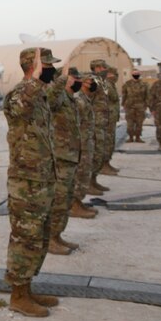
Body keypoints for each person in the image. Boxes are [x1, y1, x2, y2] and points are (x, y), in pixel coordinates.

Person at [4, 47, 61, 318]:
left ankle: (27, 288)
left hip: (42, 179)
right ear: (33, 66)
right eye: (47, 65)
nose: (51, 69)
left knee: (38, 237)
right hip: (25, 182)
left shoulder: (40, 96)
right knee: (24, 238)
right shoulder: (19, 94)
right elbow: (19, 107)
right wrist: (35, 79)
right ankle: (18, 294)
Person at [46, 66, 83, 254]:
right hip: (60, 158)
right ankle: (50, 238)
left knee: (66, 199)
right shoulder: (57, 98)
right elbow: (51, 100)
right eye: (73, 77)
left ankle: (58, 234)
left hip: (71, 156)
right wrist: (60, 81)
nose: (77, 80)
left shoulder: (71, 100)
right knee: (58, 200)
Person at [70, 73, 99, 219]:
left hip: (86, 141)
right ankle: (74, 205)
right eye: (90, 81)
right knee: (79, 174)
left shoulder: (85, 98)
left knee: (84, 173)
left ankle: (78, 202)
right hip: (80, 143)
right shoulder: (78, 99)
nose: (93, 84)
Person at [88, 59, 112, 192]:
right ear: (96, 68)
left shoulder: (102, 82)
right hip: (94, 123)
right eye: (102, 67)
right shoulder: (92, 81)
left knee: (100, 153)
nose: (105, 70)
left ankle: (94, 180)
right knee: (94, 154)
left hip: (102, 122)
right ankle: (88, 184)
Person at [122, 69, 150, 142]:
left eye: (137, 73)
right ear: (132, 74)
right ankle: (130, 137)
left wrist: (146, 105)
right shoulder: (127, 84)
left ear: (139, 74)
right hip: (129, 106)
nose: (136, 75)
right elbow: (124, 95)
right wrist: (123, 104)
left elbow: (147, 95)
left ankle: (138, 137)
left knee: (139, 123)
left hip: (140, 106)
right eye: (134, 73)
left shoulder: (144, 84)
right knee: (130, 123)